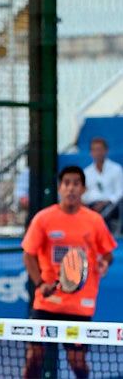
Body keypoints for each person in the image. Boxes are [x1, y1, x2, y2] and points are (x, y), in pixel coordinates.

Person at [21, 166, 117, 379]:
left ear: (83, 189)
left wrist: (104, 263)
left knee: (77, 361)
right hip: (47, 303)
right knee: (34, 356)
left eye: (76, 184)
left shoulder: (94, 221)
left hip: (79, 306)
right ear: (59, 188)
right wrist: (40, 284)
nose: (71, 188)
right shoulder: (43, 219)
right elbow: (28, 255)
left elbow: (108, 253)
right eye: (66, 183)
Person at [82, 137, 123, 232]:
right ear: (90, 153)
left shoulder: (116, 169)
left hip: (112, 205)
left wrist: (105, 202)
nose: (97, 153)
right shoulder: (86, 172)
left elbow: (120, 192)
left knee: (109, 208)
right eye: (94, 150)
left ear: (106, 151)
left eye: (100, 149)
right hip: (91, 205)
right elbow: (85, 193)